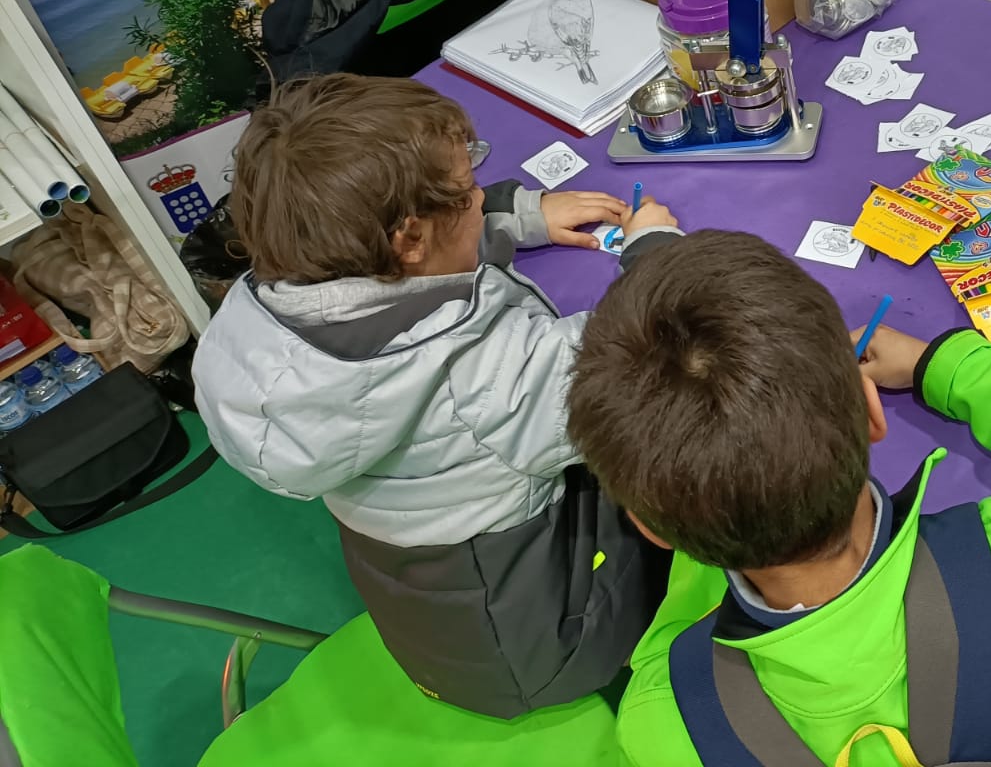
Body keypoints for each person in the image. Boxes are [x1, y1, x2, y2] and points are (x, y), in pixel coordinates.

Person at [566, 230, 991, 767]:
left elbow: (679, 637)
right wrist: (943, 364)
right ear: (870, 413)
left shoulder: (663, 721)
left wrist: (706, 510)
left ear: (651, 530)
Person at [193, 74, 680, 720]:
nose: (483, 198)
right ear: (410, 238)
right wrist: (654, 256)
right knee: (689, 476)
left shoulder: (265, 307)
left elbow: (402, 271)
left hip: (447, 614)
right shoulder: (475, 373)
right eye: (472, 194)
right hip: (547, 647)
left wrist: (517, 216)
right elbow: (635, 361)